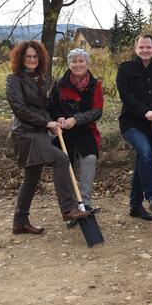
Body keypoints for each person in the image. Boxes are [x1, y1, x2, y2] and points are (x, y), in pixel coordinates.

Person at [5, 41, 89, 235]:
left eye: (35, 56)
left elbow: (41, 108)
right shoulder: (14, 80)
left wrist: (53, 121)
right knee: (61, 159)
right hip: (25, 134)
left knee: (31, 179)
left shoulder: (37, 78)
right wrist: (46, 123)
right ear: (21, 58)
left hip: (38, 133)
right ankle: (68, 209)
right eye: (28, 57)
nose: (32, 60)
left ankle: (19, 222)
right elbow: (20, 110)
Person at [117, 34, 152, 219]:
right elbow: (127, 96)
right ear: (136, 49)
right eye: (142, 47)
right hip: (132, 123)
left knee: (142, 160)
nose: (145, 50)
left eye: (148, 47)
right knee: (145, 153)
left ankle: (135, 205)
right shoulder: (125, 69)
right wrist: (144, 111)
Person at [47, 48, 104, 222]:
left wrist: (76, 119)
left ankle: (85, 203)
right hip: (64, 133)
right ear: (69, 64)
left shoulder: (96, 85)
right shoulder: (60, 84)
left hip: (86, 130)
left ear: (87, 63)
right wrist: (59, 118)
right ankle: (72, 206)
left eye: (81, 61)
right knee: (67, 166)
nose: (77, 64)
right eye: (74, 61)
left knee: (89, 160)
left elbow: (97, 111)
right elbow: (50, 106)